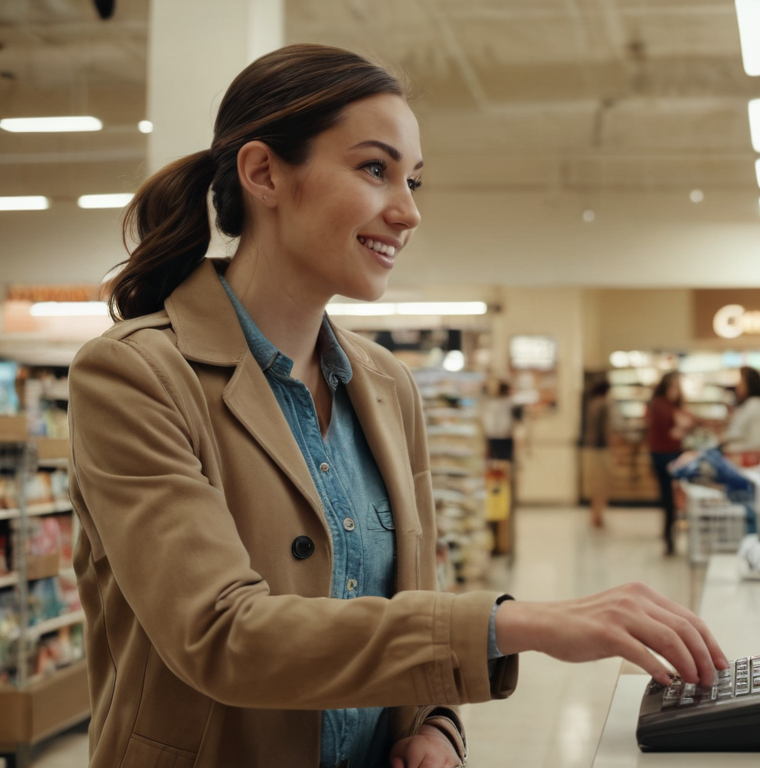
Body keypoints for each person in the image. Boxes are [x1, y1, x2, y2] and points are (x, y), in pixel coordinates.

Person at [68, 44, 725, 768]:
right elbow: (222, 635)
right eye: (375, 170)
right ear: (263, 174)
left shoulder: (386, 385)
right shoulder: (134, 377)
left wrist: (437, 727)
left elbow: (411, 600)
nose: (408, 212)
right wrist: (518, 622)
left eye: (413, 180)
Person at [646, 371, 693, 555]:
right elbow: (668, 433)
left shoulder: (670, 406)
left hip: (671, 454)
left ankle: (670, 536)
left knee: (672, 499)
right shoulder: (660, 405)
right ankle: (669, 538)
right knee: (668, 498)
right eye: (674, 386)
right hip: (664, 455)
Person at [582, 379, 619, 528]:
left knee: (595, 485)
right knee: (603, 485)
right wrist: (615, 450)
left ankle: (595, 514)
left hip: (592, 449)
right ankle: (598, 515)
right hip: (603, 449)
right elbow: (608, 430)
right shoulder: (605, 404)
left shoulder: (592, 404)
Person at [722, 366, 760, 453]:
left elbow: (735, 433)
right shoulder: (757, 403)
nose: (737, 386)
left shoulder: (753, 404)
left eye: (741, 382)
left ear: (750, 384)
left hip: (747, 455)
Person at [483, 380, 516, 462]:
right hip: (498, 434)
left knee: (500, 461)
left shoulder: (509, 403)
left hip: (500, 434)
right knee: (497, 461)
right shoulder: (497, 403)